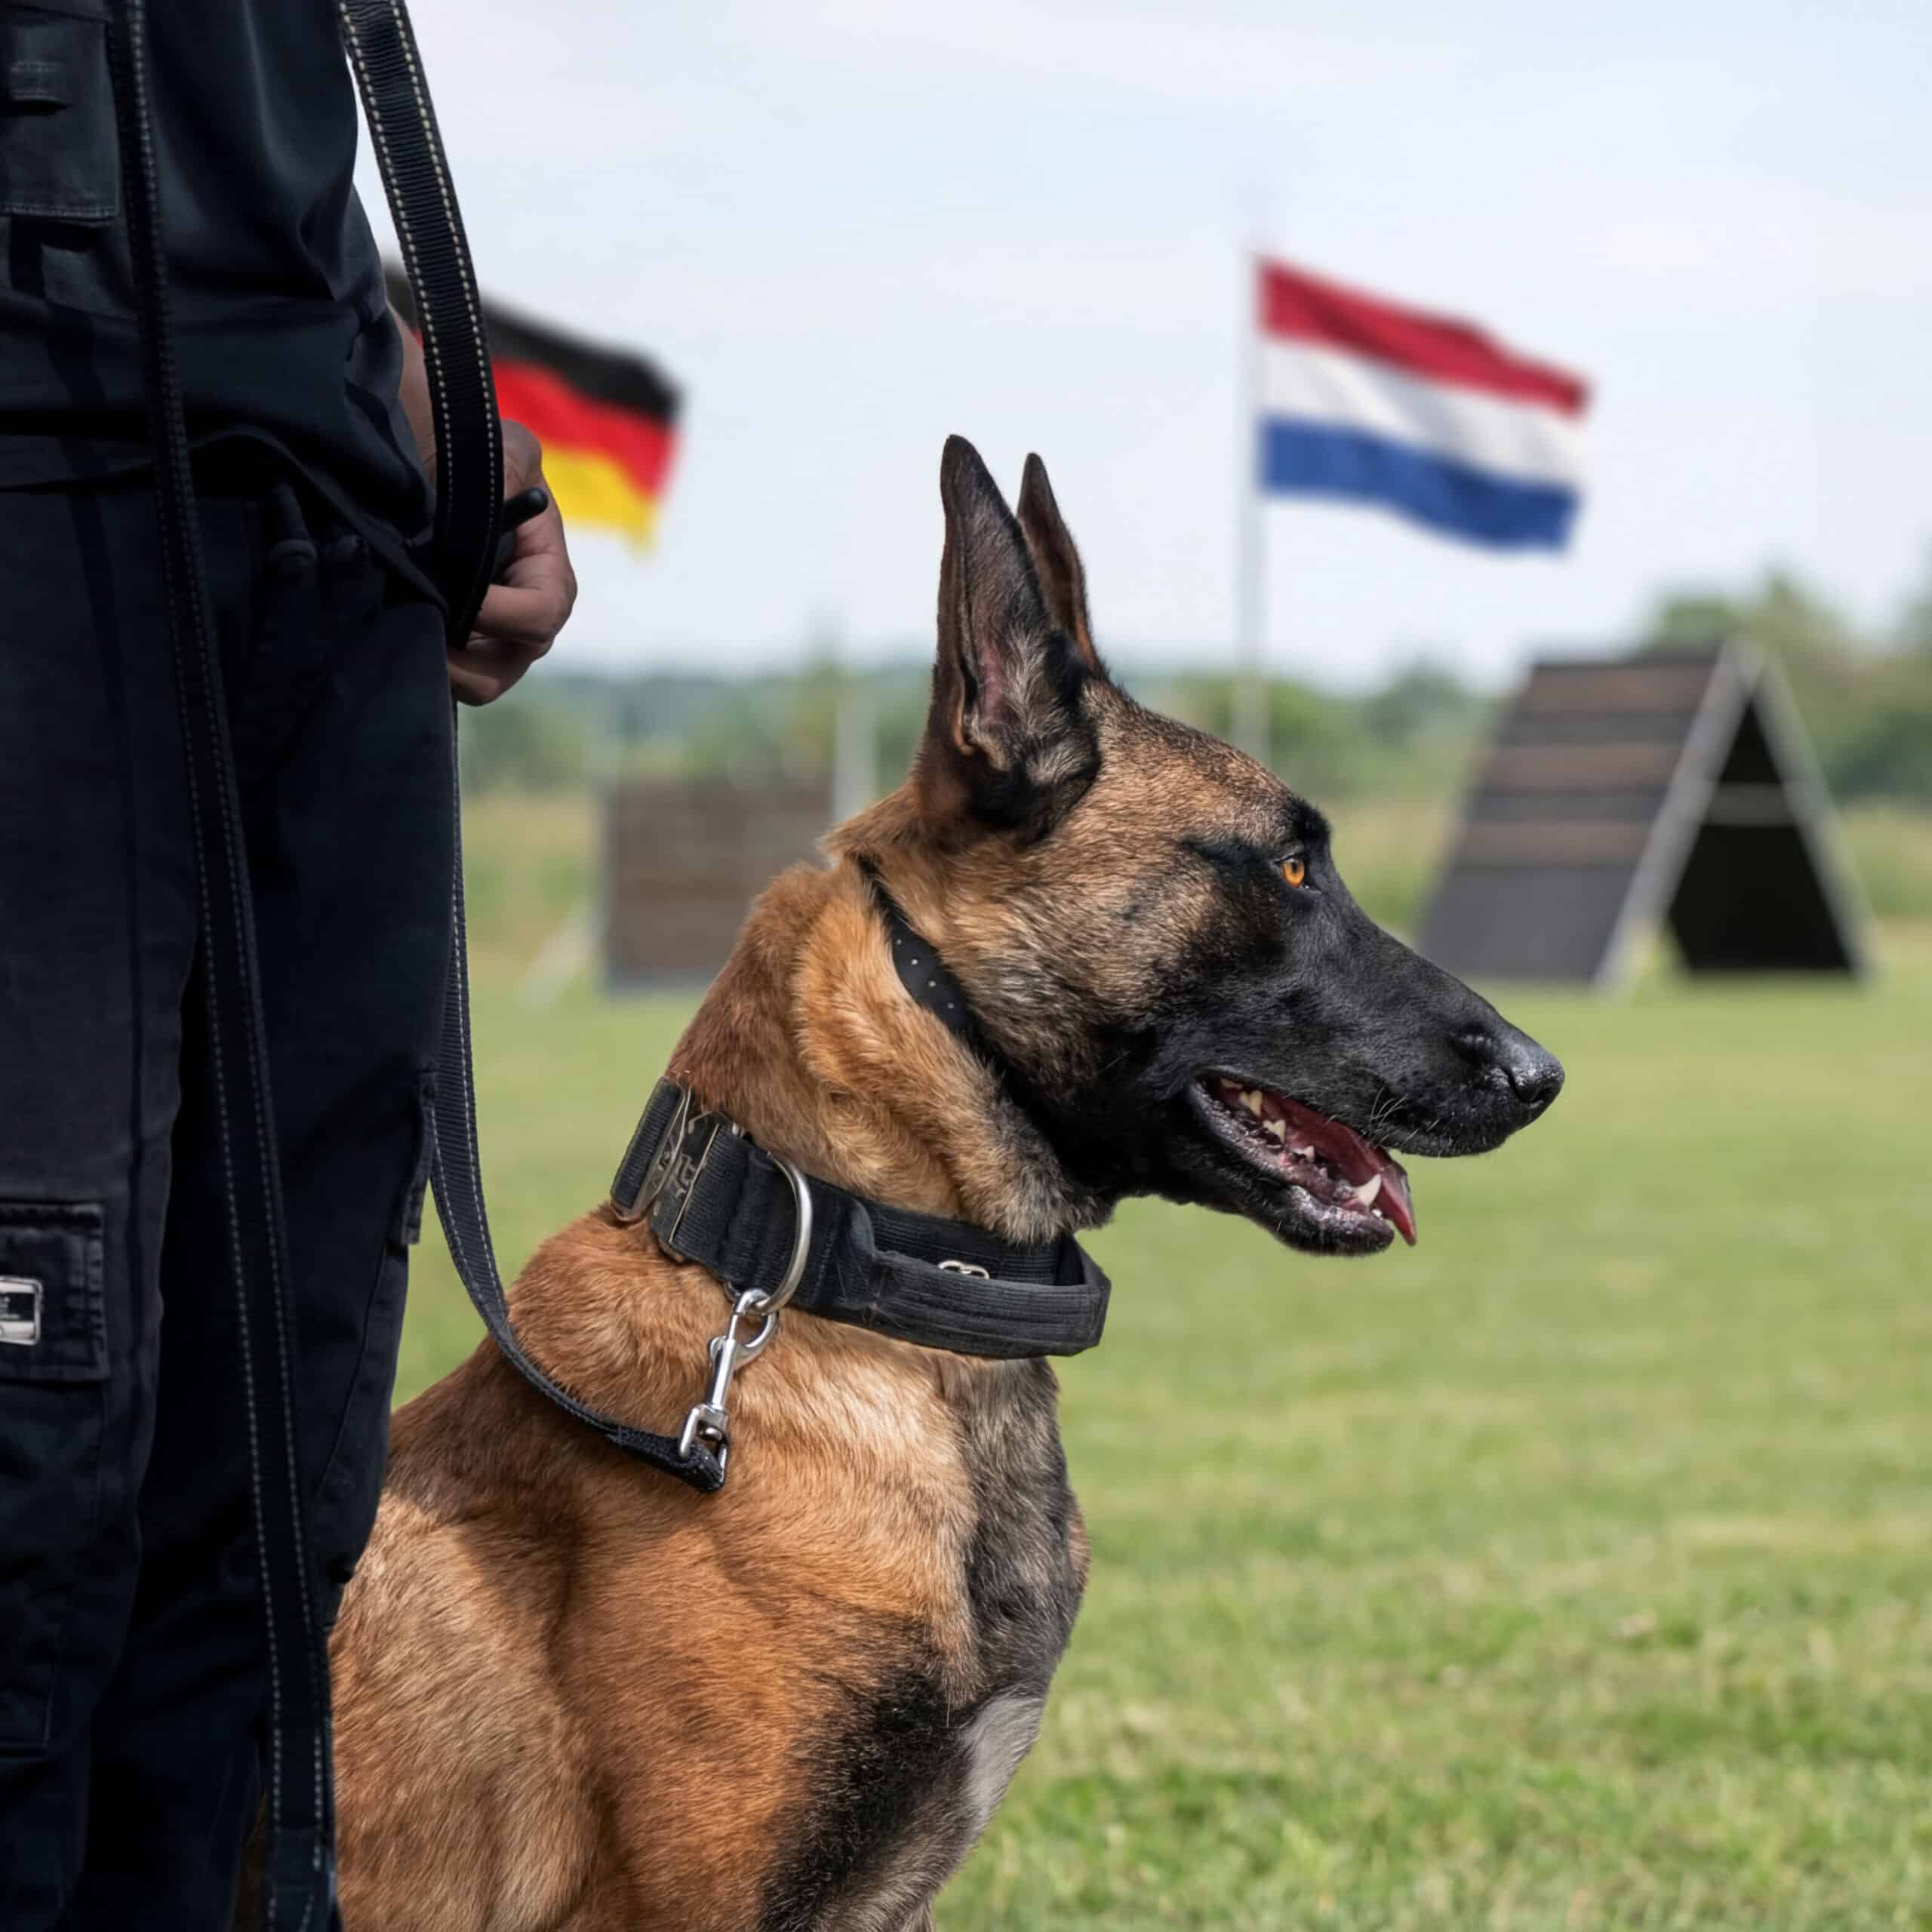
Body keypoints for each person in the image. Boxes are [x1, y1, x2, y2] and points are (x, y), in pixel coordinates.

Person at [0, 2, 574, 1920]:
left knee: (270, 1472)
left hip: (318, 520)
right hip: (38, 499)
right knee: (31, 1438)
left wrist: (400, 380)